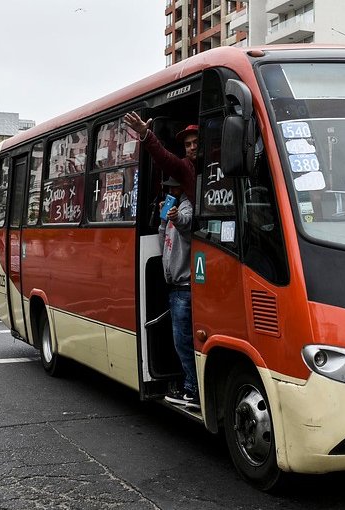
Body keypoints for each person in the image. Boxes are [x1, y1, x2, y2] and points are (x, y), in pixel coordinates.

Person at [157, 175, 198, 409]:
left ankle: (192, 388)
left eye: (173, 188)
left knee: (183, 341)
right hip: (175, 286)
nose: (169, 192)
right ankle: (189, 384)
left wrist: (175, 217)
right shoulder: (172, 211)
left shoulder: (185, 208)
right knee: (180, 340)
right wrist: (164, 220)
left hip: (184, 286)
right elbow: (163, 242)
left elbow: (186, 224)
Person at [123, 111, 198, 201]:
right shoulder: (185, 166)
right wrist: (145, 134)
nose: (193, 147)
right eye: (188, 145)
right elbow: (164, 157)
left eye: (196, 142)